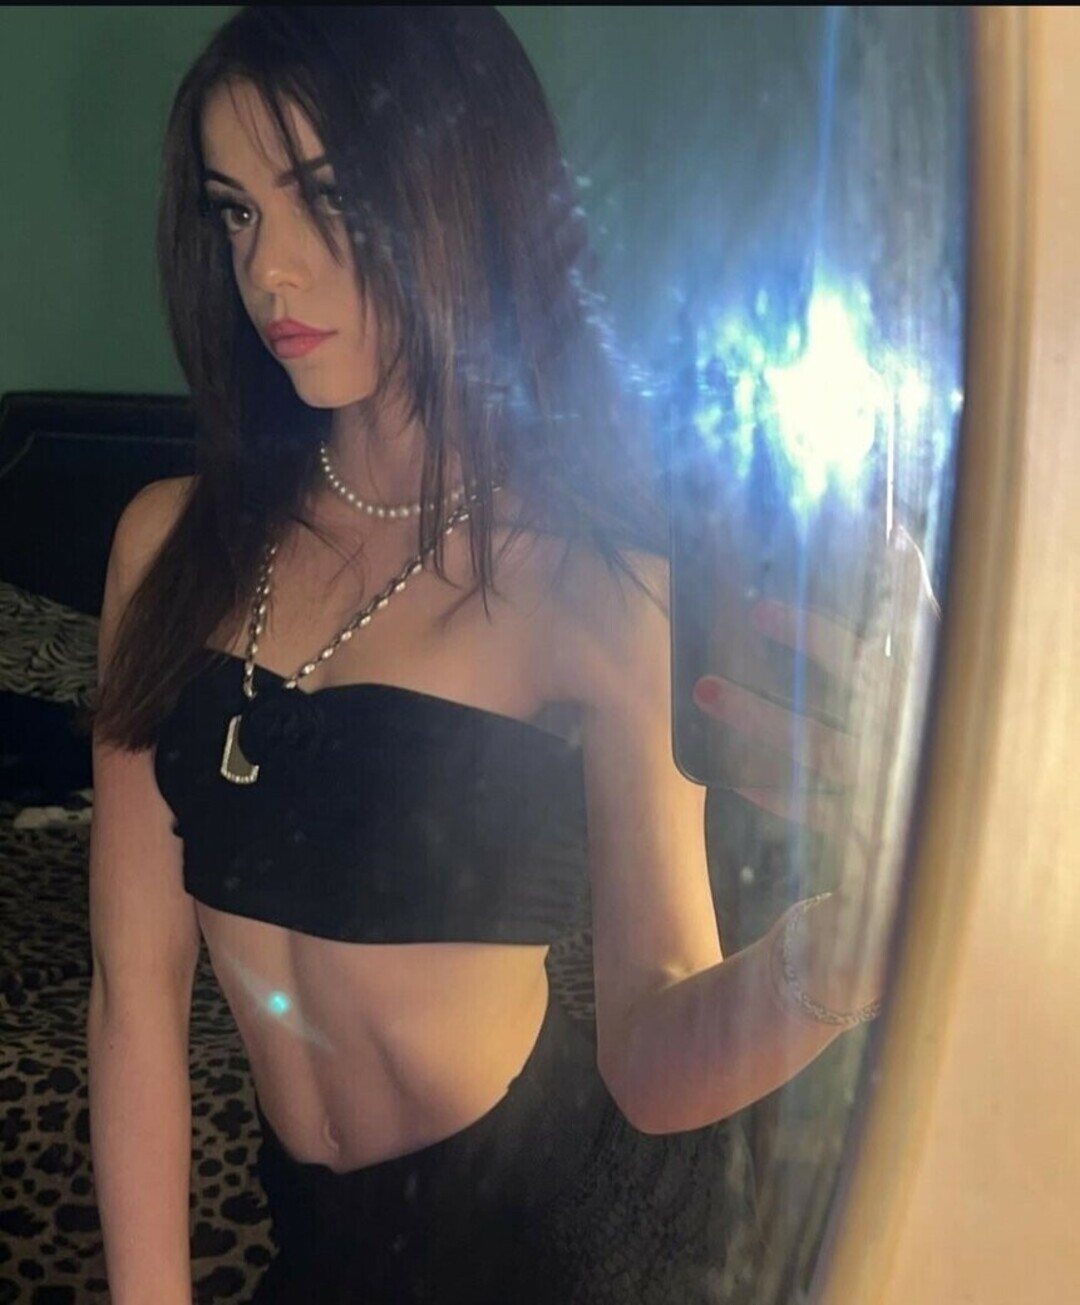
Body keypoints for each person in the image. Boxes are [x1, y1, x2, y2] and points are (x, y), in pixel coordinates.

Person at [86, 8, 884, 1303]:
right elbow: (134, 997)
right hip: (317, 1248)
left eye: (326, 197)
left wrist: (849, 949)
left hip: (550, 1248)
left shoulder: (591, 580)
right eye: (236, 213)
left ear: (463, 184)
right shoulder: (167, 549)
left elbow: (651, 1045)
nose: (269, 270)